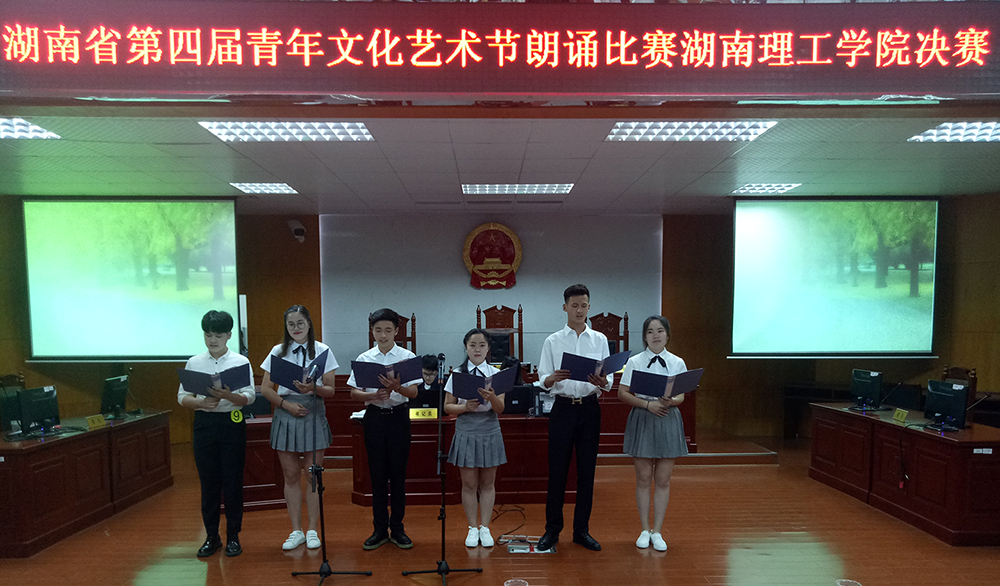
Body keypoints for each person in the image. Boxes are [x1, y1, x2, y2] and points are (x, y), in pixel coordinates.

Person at [536, 284, 610, 552]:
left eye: (584, 305)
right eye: (574, 305)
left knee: (587, 472)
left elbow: (608, 381)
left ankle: (581, 531)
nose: (579, 310)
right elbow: (542, 379)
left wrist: (602, 381)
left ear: (589, 307)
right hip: (563, 409)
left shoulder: (600, 340)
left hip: (589, 408)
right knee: (557, 471)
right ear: (565, 307)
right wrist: (551, 378)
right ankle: (552, 530)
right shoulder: (553, 341)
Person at [259, 305, 339, 552]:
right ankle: (296, 530)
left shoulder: (323, 350)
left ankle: (313, 529)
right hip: (286, 411)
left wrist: (312, 388)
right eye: (291, 324)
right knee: (291, 475)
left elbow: (331, 389)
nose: (296, 328)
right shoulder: (278, 351)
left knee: (313, 475)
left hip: (312, 411)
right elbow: (265, 389)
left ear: (309, 324)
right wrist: (286, 405)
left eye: (300, 323)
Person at [177, 310, 255, 558]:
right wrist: (201, 403)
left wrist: (229, 396)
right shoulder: (194, 362)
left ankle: (233, 536)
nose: (212, 340)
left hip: (232, 422)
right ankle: (212, 537)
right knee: (208, 483)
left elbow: (250, 396)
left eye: (218, 335)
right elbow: (182, 397)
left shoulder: (240, 361)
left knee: (232, 482)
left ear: (229, 335)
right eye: (208, 335)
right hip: (204, 423)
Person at [348, 308, 421, 550]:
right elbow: (353, 393)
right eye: (378, 330)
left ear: (396, 331)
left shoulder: (407, 357)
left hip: (399, 418)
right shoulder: (365, 358)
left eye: (388, 330)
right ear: (372, 331)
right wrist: (372, 395)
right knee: (377, 475)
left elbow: (414, 392)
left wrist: (397, 388)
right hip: (374, 419)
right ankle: (379, 529)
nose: (383, 335)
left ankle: (398, 528)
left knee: (398, 476)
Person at [617, 315, 688, 552]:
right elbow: (622, 393)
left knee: (663, 479)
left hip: (668, 417)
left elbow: (681, 396)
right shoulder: (635, 361)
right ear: (644, 336)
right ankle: (644, 529)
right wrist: (648, 405)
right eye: (650, 331)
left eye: (660, 331)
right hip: (643, 416)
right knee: (643, 478)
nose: (655, 335)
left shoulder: (677, 362)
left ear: (667, 335)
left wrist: (671, 401)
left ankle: (657, 531)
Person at [443, 328, 507, 548]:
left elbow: (500, 408)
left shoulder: (495, 374)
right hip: (466, 428)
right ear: (466, 348)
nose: (477, 349)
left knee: (488, 482)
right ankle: (472, 528)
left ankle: (485, 527)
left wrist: (492, 398)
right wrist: (464, 407)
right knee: (469, 483)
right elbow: (447, 406)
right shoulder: (457, 374)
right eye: (472, 345)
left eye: (482, 345)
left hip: (489, 428)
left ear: (488, 348)